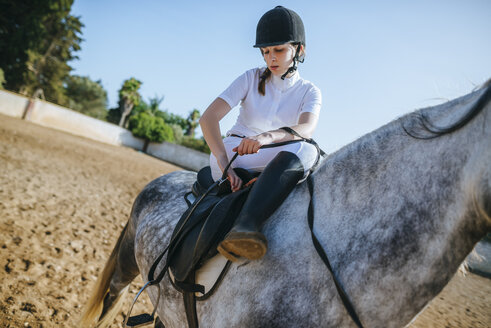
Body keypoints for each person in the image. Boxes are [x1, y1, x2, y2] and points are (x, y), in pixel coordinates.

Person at [199, 6, 321, 261]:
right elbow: (208, 118)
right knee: (306, 150)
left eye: (278, 50)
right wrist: (224, 163)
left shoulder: (310, 92)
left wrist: (266, 137)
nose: (271, 58)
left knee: (308, 147)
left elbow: (306, 128)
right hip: (234, 153)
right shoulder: (250, 78)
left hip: (272, 154)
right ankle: (246, 226)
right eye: (266, 52)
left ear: (299, 50)